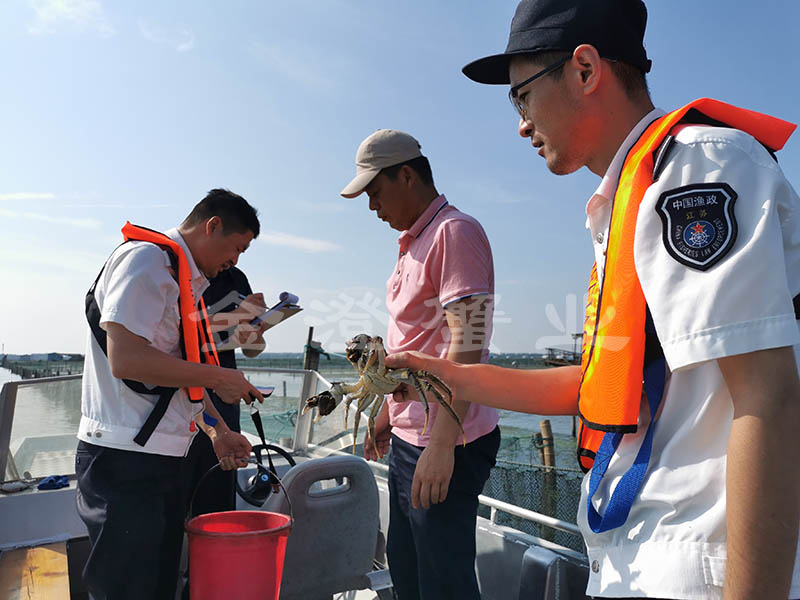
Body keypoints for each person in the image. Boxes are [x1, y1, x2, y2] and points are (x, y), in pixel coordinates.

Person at [384, 1, 800, 599]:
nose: (520, 124)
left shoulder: (699, 171)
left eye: (520, 97)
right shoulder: (629, 199)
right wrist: (444, 376)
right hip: (636, 553)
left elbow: (770, 396)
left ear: (584, 70)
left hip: (700, 563)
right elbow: (597, 385)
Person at [76, 188, 266, 600]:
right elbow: (126, 359)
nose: (233, 263)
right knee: (126, 588)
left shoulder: (183, 278)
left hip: (163, 459)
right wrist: (219, 379)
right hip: (123, 460)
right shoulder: (145, 260)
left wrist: (217, 431)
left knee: (156, 584)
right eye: (236, 248)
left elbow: (181, 376)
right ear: (212, 225)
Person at [340, 129, 501, 600]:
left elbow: (468, 342)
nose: (373, 207)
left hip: (448, 436)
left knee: (442, 580)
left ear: (407, 175)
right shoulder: (414, 242)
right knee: (408, 569)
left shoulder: (454, 232)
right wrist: (387, 415)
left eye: (375, 192)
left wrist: (442, 444)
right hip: (412, 435)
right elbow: (413, 339)